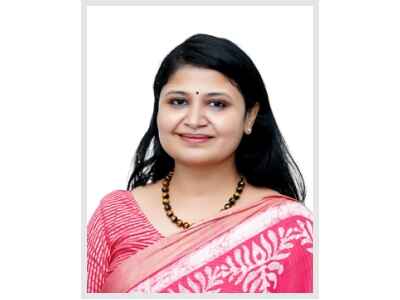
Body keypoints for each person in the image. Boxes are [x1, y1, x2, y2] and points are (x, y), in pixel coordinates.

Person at [87, 33, 313, 293]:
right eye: (178, 102)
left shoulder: (287, 227)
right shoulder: (114, 216)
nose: (194, 119)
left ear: (250, 117)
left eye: (217, 104)